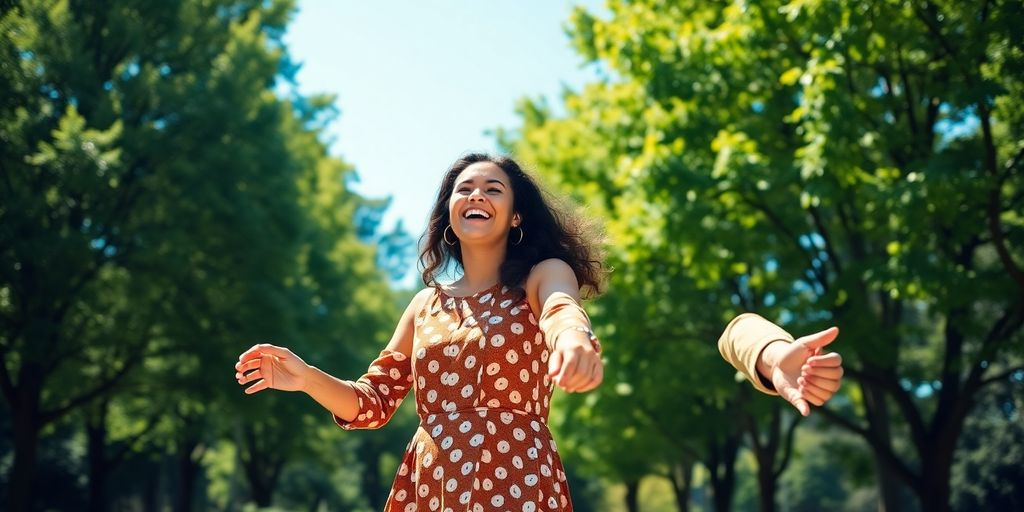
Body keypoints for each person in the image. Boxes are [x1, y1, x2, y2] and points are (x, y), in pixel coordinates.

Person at [234, 153, 843, 511]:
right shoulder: (424, 306)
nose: (476, 194)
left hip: (516, 477)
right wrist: (306, 377)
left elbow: (561, 310)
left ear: (514, 214)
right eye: (463, 188)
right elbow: (372, 404)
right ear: (449, 213)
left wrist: (575, 344)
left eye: (492, 188)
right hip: (431, 485)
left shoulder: (540, 272)